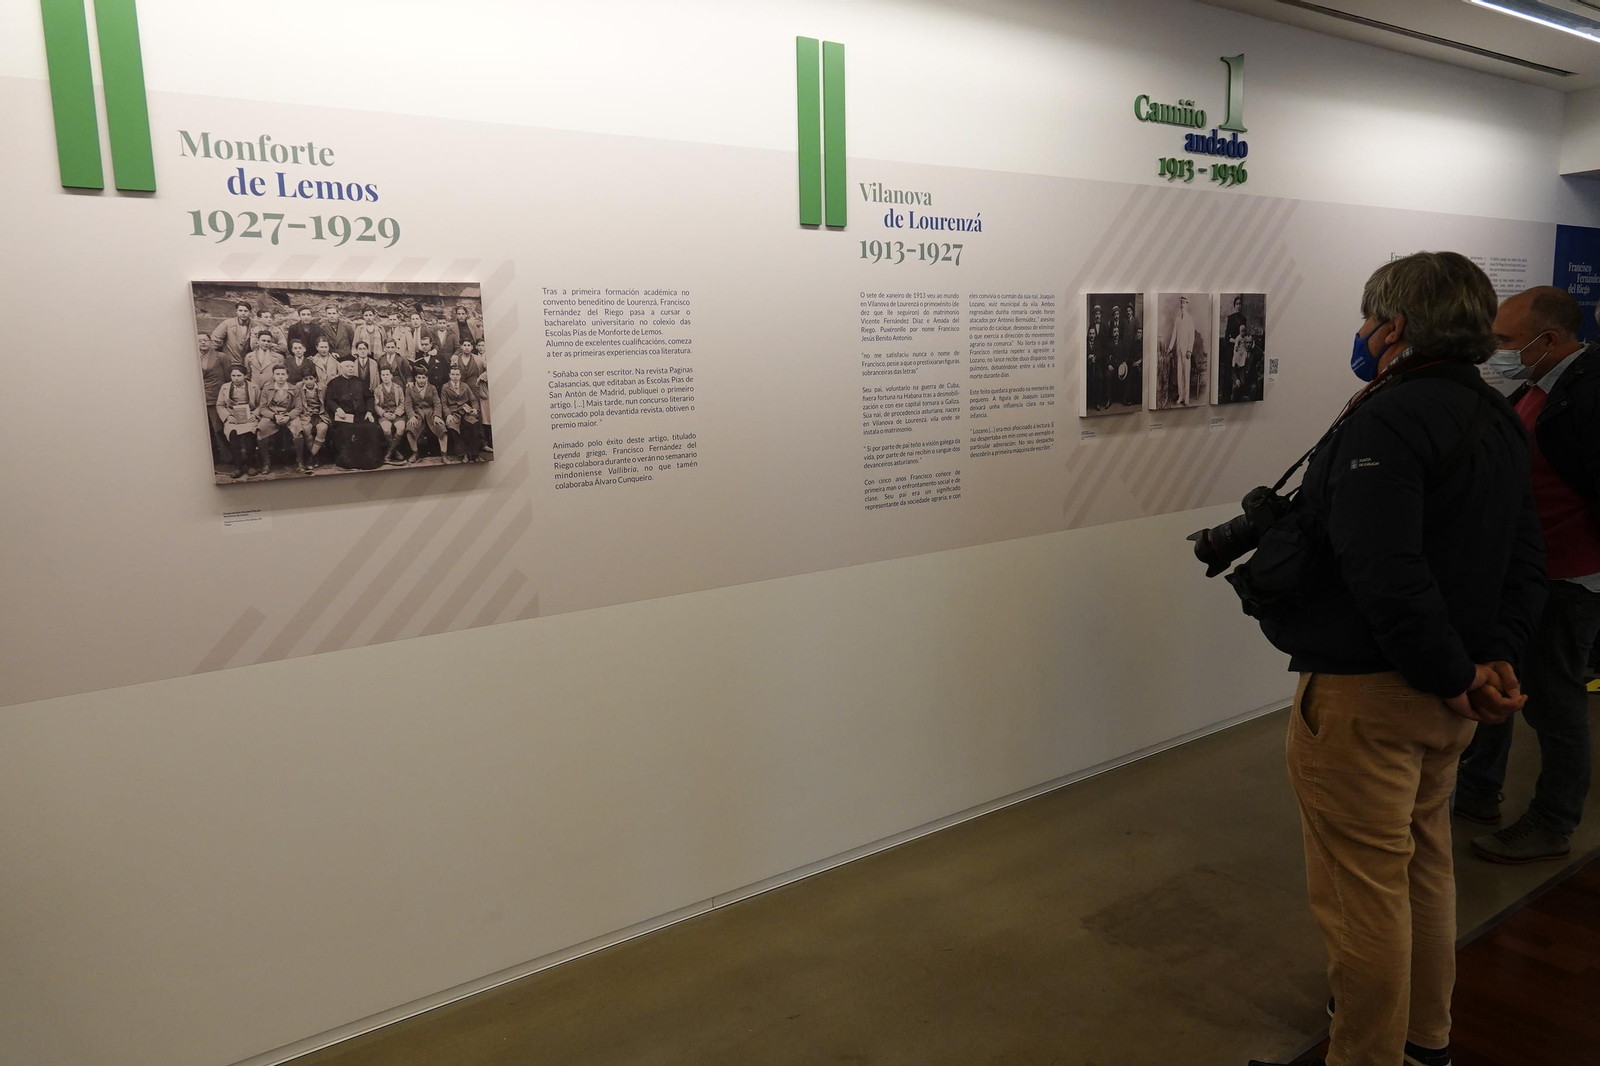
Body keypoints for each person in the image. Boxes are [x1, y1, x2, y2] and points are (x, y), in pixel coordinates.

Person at [1245, 252, 1545, 1066]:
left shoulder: (1389, 418)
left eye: (1368, 316)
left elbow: (1386, 572)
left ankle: (1367, 1057)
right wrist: (1494, 663)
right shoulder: (1497, 416)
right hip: (1449, 698)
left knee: (1362, 897)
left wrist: (1456, 673)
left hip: (1373, 697)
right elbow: (1525, 555)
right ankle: (1424, 1043)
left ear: (1394, 326)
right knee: (1422, 873)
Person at [1456, 286, 1600, 864]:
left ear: (1550, 339)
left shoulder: (1589, 396)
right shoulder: (1542, 386)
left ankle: (1552, 822)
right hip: (1527, 575)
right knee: (1498, 679)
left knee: (1555, 705)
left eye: (1508, 341)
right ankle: (1478, 790)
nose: (1498, 350)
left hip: (1568, 580)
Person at [323, 354, 385, 469]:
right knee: (346, 431)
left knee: (371, 428)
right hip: (343, 417)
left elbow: (369, 398)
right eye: (348, 366)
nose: (351, 368)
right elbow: (329, 400)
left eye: (352, 366)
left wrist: (369, 412)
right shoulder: (334, 383)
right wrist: (338, 409)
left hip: (361, 416)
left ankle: (369, 461)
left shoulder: (360, 381)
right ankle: (349, 462)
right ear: (341, 368)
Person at [254, 364, 302, 476]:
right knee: (261, 431)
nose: (280, 377)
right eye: (277, 374)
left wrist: (288, 417)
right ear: (273, 376)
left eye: (283, 374)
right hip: (272, 416)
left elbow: (298, 408)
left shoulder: (294, 389)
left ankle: (300, 462)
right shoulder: (267, 389)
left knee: (298, 430)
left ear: (287, 376)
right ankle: (266, 463)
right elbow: (263, 408)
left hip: (289, 415)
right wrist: (274, 416)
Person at [214, 364, 261, 479]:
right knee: (233, 434)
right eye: (233, 375)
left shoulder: (254, 387)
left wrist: (255, 414)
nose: (236, 378)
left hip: (249, 416)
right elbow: (220, 405)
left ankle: (251, 465)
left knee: (250, 433)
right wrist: (228, 416)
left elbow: (261, 404)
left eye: (239, 375)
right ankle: (237, 467)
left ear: (245, 376)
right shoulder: (225, 387)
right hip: (233, 417)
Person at [197, 332, 232, 466]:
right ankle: (212, 459)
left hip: (215, 398)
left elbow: (229, 379)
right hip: (199, 399)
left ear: (211, 341)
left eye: (205, 340)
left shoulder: (221, 357)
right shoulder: (192, 357)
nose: (203, 343)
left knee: (218, 429)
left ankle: (228, 458)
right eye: (199, 341)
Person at [440, 364, 483, 462]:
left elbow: (473, 400)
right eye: (453, 374)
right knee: (452, 427)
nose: (455, 377)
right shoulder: (445, 387)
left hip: (465, 411)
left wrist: (475, 409)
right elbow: (443, 404)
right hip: (453, 412)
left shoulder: (465, 386)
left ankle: (475, 454)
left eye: (457, 375)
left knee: (474, 424)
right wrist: (448, 415)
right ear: (449, 375)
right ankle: (464, 454)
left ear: (460, 375)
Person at [1164, 295, 1201, 407]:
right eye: (1181, 302)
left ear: (1187, 304)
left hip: (1186, 352)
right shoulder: (1177, 319)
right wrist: (1170, 347)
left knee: (1186, 374)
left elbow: (1191, 336)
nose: (1182, 305)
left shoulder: (1190, 319)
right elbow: (1174, 334)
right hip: (1178, 349)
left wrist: (1190, 350)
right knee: (1179, 374)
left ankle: (1186, 398)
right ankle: (1180, 396)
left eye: (1184, 303)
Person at [404, 365, 445, 463]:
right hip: (417, 414)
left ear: (427, 378)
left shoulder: (432, 388)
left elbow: (437, 403)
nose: (421, 380)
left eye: (423, 378)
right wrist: (412, 416)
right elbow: (408, 405)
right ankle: (415, 453)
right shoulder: (410, 388)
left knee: (442, 427)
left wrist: (437, 416)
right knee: (410, 429)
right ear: (415, 378)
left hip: (430, 413)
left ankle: (444, 454)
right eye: (419, 378)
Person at [291, 364, 328, 472]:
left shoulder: (322, 387)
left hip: (320, 414)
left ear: (315, 378)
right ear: (302, 380)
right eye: (305, 379)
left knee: (322, 428)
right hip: (306, 414)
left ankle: (311, 456)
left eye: (311, 378)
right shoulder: (298, 387)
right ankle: (314, 457)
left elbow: (326, 402)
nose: (309, 381)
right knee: (306, 429)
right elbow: (297, 402)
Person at [372, 364, 410, 464]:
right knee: (386, 429)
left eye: (387, 375)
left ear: (391, 376)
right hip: (384, 415)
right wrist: (384, 414)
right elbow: (376, 406)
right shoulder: (378, 390)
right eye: (383, 375)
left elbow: (402, 403)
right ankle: (395, 451)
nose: (385, 377)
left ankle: (388, 453)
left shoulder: (398, 388)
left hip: (397, 414)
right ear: (380, 376)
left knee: (401, 428)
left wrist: (396, 414)